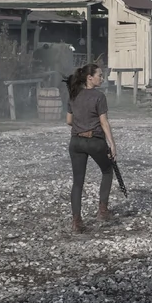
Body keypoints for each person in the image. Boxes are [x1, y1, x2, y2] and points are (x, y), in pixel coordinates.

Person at [63, 64, 117, 234]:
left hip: (76, 142)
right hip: (94, 140)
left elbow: (69, 121)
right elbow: (104, 122)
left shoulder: (73, 95)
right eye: (100, 75)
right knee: (107, 171)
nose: (102, 78)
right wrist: (112, 144)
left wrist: (81, 121)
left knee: (78, 182)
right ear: (89, 78)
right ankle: (103, 211)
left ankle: (76, 221)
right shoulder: (99, 97)